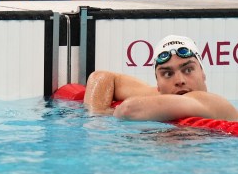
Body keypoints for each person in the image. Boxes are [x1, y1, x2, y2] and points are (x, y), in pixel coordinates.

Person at [83, 34, 238, 121]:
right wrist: (96, 115)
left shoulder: (211, 103)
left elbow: (129, 109)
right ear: (158, 84)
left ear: (203, 73)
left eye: (188, 69)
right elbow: (101, 77)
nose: (179, 80)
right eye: (168, 74)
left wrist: (105, 116)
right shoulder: (161, 96)